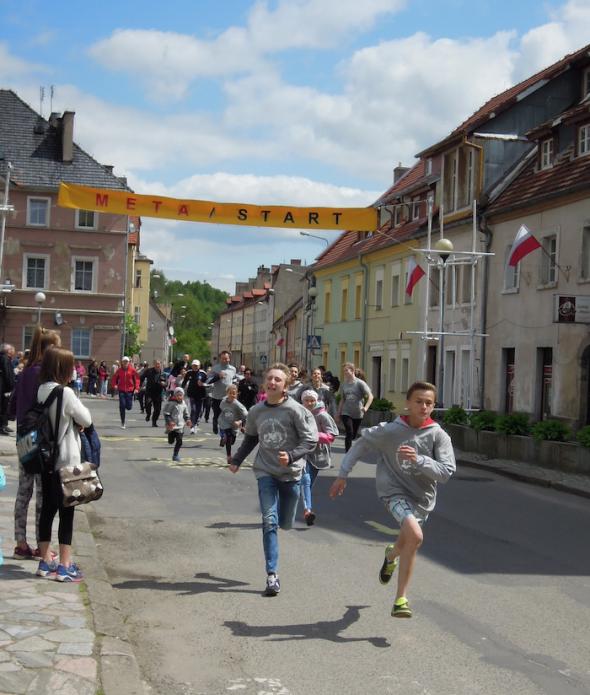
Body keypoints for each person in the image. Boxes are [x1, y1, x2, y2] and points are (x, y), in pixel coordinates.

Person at [329, 381, 455, 618]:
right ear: (408, 403)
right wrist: (342, 474)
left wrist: (419, 460)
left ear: (433, 406)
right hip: (393, 492)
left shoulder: (438, 435)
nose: (423, 406)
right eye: (419, 401)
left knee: (407, 541)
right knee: (415, 536)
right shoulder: (390, 431)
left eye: (428, 403)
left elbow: (446, 473)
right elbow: (361, 445)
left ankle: (390, 556)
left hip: (422, 499)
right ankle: (401, 599)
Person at [229, 363, 318, 596]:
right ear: (264, 383)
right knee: (269, 520)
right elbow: (251, 438)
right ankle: (272, 575)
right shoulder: (256, 411)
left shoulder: (296, 410)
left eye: (278, 379)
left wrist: (291, 456)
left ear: (286, 386)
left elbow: (310, 440)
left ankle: (283, 520)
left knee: (285, 523)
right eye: (269, 378)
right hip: (265, 470)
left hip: (291, 473)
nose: (272, 382)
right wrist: (237, 460)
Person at [36, 346, 93, 582]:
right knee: (67, 512)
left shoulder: (41, 389)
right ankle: (64, 566)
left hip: (45, 459)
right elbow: (86, 419)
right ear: (63, 368)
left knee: (47, 510)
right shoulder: (66, 393)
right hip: (66, 460)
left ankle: (44, 561)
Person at [10, 327, 61, 560]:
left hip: (23, 437)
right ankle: (43, 545)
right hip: (41, 440)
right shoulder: (44, 375)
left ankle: (20, 542)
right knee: (43, 493)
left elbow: (12, 407)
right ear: (49, 349)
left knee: (24, 490)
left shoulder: (25, 372)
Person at [299, 390, 338, 526]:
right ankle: (307, 511)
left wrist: (314, 435)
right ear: (302, 401)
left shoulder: (322, 415)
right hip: (302, 452)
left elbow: (331, 436)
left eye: (312, 400)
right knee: (305, 480)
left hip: (318, 454)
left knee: (307, 484)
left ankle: (297, 505)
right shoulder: (298, 413)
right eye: (306, 400)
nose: (309, 403)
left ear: (316, 401)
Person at [338, 362, 373, 452]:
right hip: (346, 412)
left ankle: (350, 447)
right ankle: (348, 453)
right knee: (349, 432)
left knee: (353, 435)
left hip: (358, 413)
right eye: (344, 371)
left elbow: (370, 396)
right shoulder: (344, 384)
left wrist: (366, 407)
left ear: (352, 371)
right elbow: (342, 399)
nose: (345, 372)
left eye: (346, 370)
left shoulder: (360, 383)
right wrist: (338, 413)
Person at [218, 384, 248, 464]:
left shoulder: (238, 405)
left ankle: (224, 438)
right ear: (227, 393)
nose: (232, 395)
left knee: (232, 441)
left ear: (237, 394)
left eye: (234, 393)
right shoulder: (223, 402)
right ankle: (229, 456)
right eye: (230, 393)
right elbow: (222, 410)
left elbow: (246, 415)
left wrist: (240, 422)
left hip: (234, 424)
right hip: (225, 422)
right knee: (228, 437)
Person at [209, 351, 237, 434]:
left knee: (226, 417)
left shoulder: (233, 369)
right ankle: (215, 423)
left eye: (226, 358)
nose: (224, 360)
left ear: (229, 359)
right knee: (217, 415)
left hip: (228, 397)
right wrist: (218, 376)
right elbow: (209, 380)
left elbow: (234, 380)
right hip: (217, 396)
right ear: (220, 359)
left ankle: (223, 435)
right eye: (223, 358)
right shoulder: (215, 368)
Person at [163, 387, 191, 462]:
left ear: (183, 396)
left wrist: (188, 420)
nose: (179, 397)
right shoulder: (171, 403)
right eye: (177, 395)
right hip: (172, 426)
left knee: (179, 441)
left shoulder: (184, 404)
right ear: (175, 396)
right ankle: (170, 436)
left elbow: (186, 414)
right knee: (171, 441)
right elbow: (166, 414)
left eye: (180, 395)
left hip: (180, 426)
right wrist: (170, 422)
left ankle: (175, 455)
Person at [111, 356, 139, 429]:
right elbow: (114, 378)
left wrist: (136, 388)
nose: (125, 363)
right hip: (121, 390)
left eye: (126, 361)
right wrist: (114, 385)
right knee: (122, 406)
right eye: (124, 361)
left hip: (130, 390)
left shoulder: (132, 370)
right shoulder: (119, 370)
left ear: (128, 362)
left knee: (129, 407)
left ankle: (129, 403)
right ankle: (122, 422)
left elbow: (137, 379)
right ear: (122, 362)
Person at [183, 359, 207, 432]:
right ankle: (192, 424)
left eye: (196, 366)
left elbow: (207, 382)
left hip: (200, 394)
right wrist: (181, 390)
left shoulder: (203, 373)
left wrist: (203, 384)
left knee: (199, 410)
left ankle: (195, 423)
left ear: (199, 366)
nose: (195, 367)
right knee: (193, 409)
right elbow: (184, 382)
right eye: (193, 365)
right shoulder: (189, 373)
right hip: (192, 394)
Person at [142, 360, 166, 427]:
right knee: (148, 404)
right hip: (149, 392)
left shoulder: (163, 373)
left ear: (160, 365)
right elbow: (142, 378)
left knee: (158, 409)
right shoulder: (148, 371)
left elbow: (166, 383)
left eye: (159, 364)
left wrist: (164, 384)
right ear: (154, 364)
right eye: (156, 364)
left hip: (158, 393)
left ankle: (154, 421)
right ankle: (148, 414)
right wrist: (140, 385)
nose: (157, 365)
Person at [0, 343, 16, 435]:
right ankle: (2, 426)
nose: (12, 351)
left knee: (4, 406)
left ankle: (4, 425)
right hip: (4, 387)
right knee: (4, 407)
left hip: (3, 386)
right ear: (8, 350)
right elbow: (7, 373)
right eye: (11, 349)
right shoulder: (4, 358)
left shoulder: (4, 358)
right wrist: (11, 385)